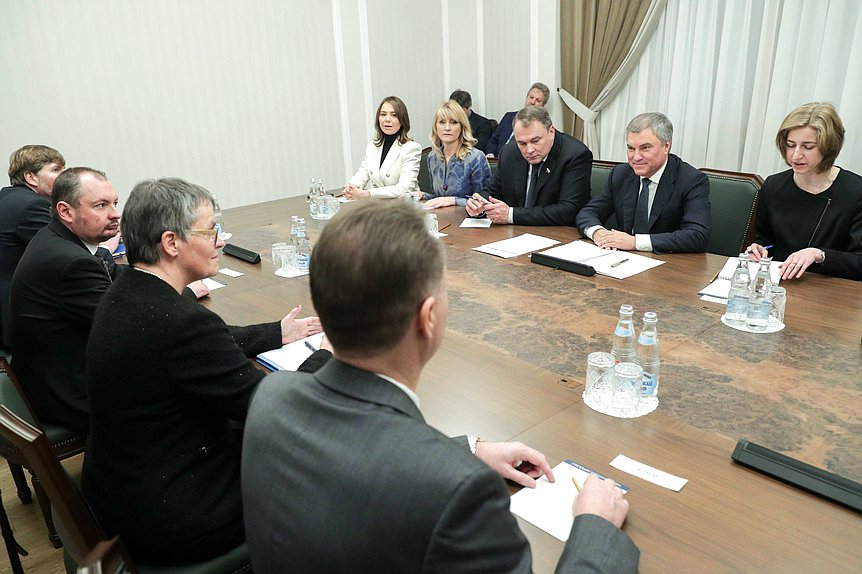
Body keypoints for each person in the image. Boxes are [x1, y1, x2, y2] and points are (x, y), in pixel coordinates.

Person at [242, 201, 639, 573]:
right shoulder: (461, 495)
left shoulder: (273, 396)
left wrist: (467, 451)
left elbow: (357, 453)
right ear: (428, 317)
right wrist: (596, 527)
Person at [81, 177, 326, 564]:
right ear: (171, 243)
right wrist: (327, 354)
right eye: (211, 230)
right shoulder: (179, 323)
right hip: (176, 515)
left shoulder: (129, 290)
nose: (221, 240)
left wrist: (277, 332)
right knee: (321, 464)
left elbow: (206, 343)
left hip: (122, 491)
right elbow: (273, 410)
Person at [9, 167, 123, 432]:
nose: (115, 213)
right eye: (100, 205)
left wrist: (160, 280)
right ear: (65, 211)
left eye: (114, 203)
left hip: (49, 376)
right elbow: (126, 325)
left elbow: (115, 275)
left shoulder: (57, 237)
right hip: (67, 394)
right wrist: (180, 288)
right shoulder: (70, 263)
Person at [748, 102, 861, 281]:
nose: (796, 155)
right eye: (791, 145)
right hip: (779, 284)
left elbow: (859, 262)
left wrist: (820, 255)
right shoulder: (773, 185)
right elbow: (766, 239)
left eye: (808, 147)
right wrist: (759, 250)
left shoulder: (855, 191)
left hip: (833, 291)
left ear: (829, 146)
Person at [576, 112, 711, 253]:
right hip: (622, 261)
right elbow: (588, 212)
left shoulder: (691, 180)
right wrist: (599, 233)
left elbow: (697, 235)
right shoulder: (621, 174)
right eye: (631, 148)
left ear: (666, 146)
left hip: (669, 264)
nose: (636, 157)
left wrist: (635, 242)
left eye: (645, 148)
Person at [465, 105, 592, 226]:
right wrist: (478, 204)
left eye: (535, 141)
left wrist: (511, 215)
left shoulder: (575, 155)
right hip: (513, 235)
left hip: (558, 235)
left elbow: (568, 210)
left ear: (551, 131)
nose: (529, 150)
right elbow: (493, 192)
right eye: (522, 143)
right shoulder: (510, 152)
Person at [0, 145, 65, 349]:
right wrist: (106, 248)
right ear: (31, 177)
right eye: (56, 170)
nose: (64, 177)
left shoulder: (7, 198)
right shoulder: (32, 206)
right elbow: (65, 251)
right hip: (23, 319)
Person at [343, 96, 422, 199]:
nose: (387, 119)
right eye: (383, 114)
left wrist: (367, 193)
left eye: (394, 115)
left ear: (402, 120)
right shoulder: (372, 146)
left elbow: (404, 188)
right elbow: (362, 174)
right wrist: (351, 187)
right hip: (380, 207)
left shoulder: (411, 148)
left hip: (404, 208)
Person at [420, 100, 491, 209]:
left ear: (462, 127)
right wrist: (424, 195)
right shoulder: (432, 157)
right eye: (442, 122)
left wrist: (454, 200)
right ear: (435, 127)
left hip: (468, 220)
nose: (447, 128)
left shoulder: (475, 158)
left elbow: (483, 202)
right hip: (442, 219)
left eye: (453, 122)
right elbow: (440, 198)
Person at [485, 82, 550, 158]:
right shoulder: (509, 117)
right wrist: (490, 153)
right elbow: (494, 140)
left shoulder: (541, 125)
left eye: (538, 100)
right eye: (531, 97)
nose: (532, 102)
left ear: (543, 106)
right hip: (496, 160)